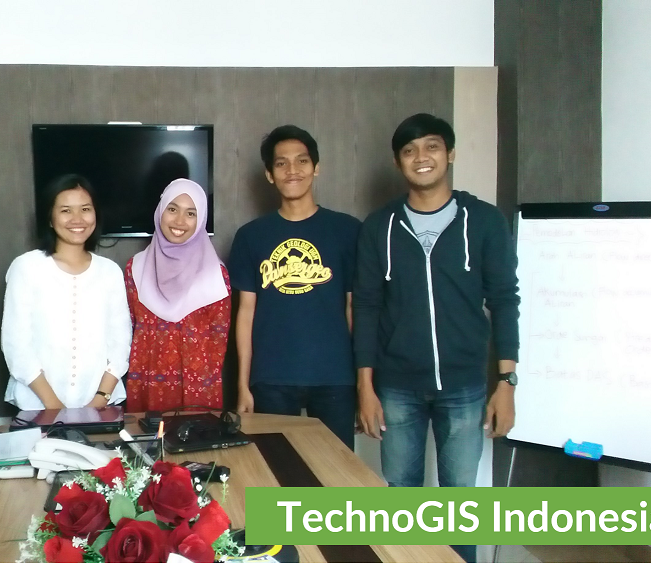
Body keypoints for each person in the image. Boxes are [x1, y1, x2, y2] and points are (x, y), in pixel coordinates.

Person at [352, 113, 520, 563]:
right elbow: (365, 307)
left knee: (459, 497)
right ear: (398, 162)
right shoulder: (379, 226)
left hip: (464, 385)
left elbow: (505, 301)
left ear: (450, 153)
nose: (421, 157)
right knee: (401, 493)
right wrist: (365, 387)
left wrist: (506, 383)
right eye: (409, 150)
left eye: (431, 146)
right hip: (396, 385)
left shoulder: (484, 221)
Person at [228, 125, 361, 449]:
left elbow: (354, 309)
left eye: (302, 161)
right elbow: (245, 314)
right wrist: (243, 385)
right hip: (271, 377)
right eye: (281, 163)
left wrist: (362, 383)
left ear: (316, 167)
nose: (292, 170)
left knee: (335, 469)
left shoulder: (347, 230)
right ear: (269, 174)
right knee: (275, 467)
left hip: (335, 377)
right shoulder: (251, 236)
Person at [2, 174, 131, 411]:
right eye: (65, 210)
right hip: (36, 406)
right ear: (50, 219)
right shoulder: (26, 267)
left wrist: (99, 401)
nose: (77, 219)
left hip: (101, 406)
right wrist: (55, 408)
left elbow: (120, 343)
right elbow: (16, 345)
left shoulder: (110, 272)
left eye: (85, 209)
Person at [125, 179, 231, 412]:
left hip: (197, 388)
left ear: (201, 220)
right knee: (146, 435)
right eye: (172, 209)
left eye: (191, 213)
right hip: (147, 383)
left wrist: (200, 376)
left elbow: (219, 338)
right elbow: (129, 328)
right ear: (160, 211)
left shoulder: (215, 274)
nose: (180, 221)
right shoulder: (136, 269)